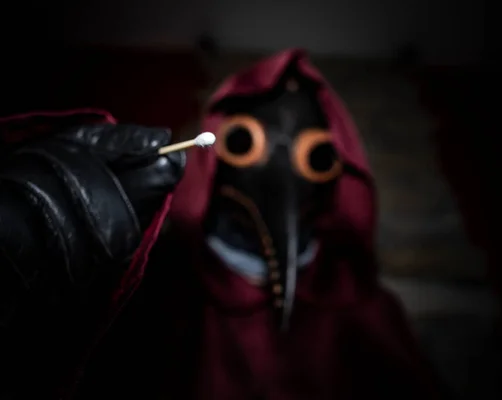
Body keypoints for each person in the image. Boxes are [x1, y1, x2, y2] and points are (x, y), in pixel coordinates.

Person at [0, 50, 440, 399]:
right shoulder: (162, 296)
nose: (281, 173)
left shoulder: (361, 308)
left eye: (316, 156)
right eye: (244, 142)